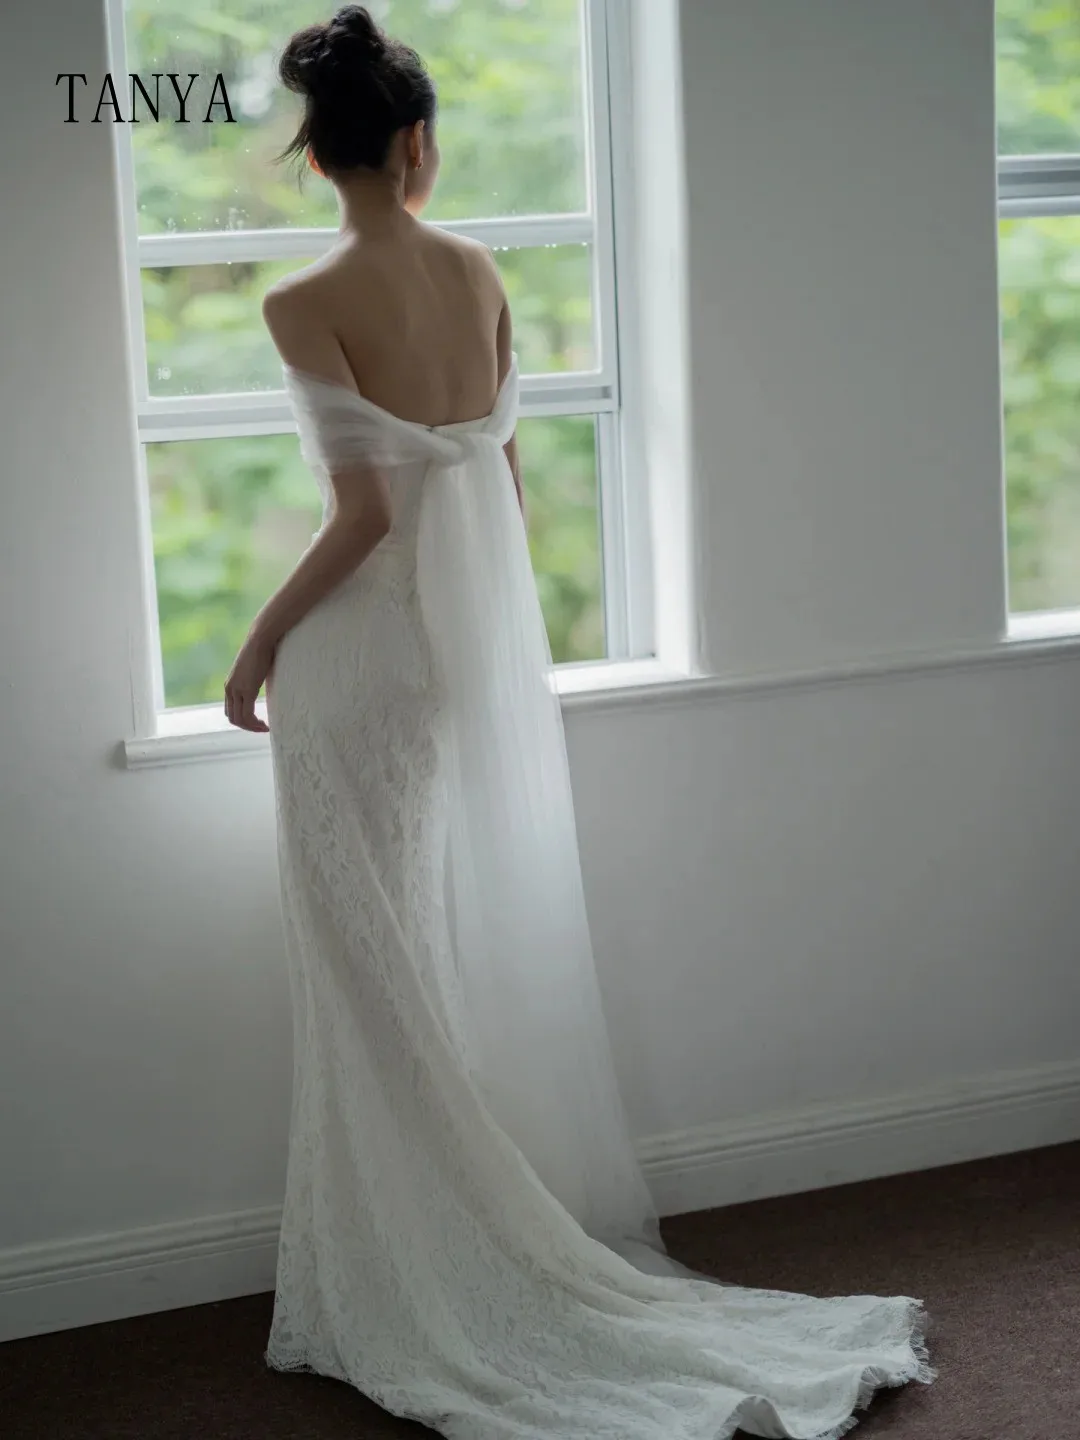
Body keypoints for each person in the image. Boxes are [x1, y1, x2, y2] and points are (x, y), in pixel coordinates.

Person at [222, 7, 937, 1437]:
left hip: (356, 663)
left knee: (367, 968)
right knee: (404, 952)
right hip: (442, 660)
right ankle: (431, 1246)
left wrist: (253, 649)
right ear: (418, 142)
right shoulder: (480, 266)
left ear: (320, 156)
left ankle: (429, 1263)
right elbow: (500, 490)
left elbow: (362, 515)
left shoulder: (301, 304)